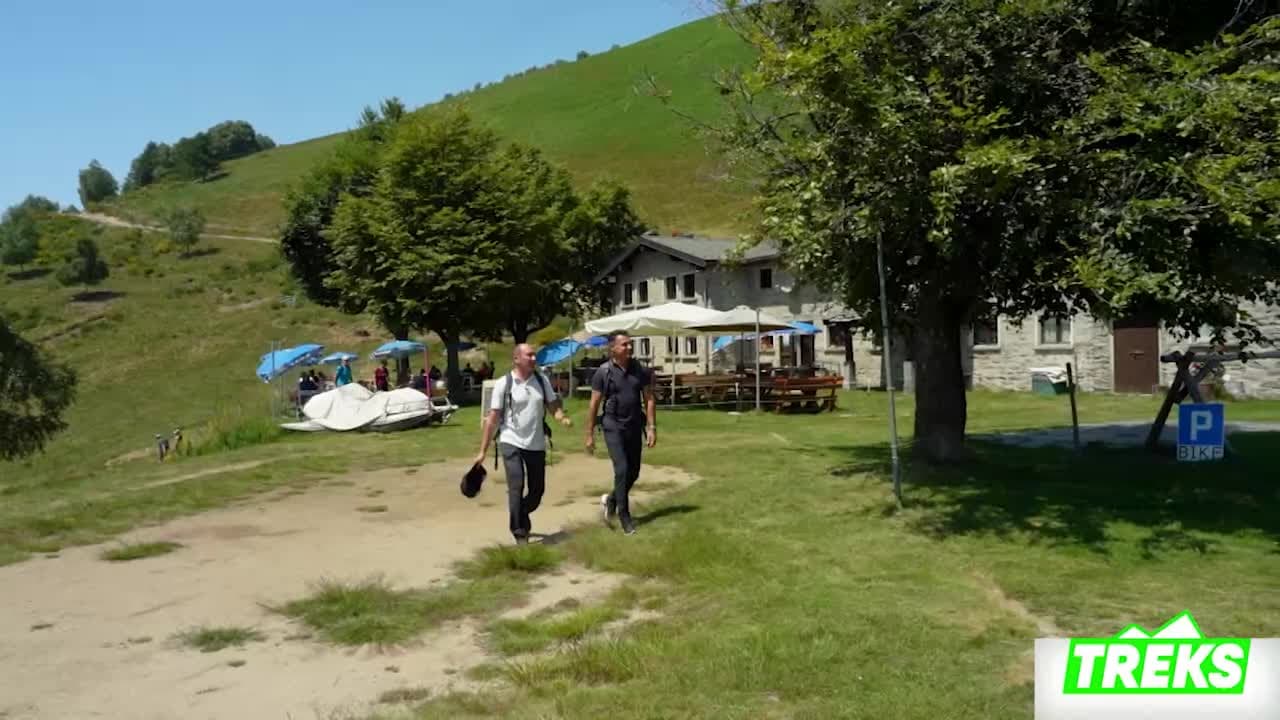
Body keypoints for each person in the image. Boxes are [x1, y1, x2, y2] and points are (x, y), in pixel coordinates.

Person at [474, 343, 572, 545]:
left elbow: (552, 405)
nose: (534, 358)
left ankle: (520, 511)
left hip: (536, 443)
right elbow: (493, 419)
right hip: (511, 441)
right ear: (517, 359)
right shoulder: (504, 383)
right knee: (516, 485)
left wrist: (561, 417)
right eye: (530, 355)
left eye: (534, 355)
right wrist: (482, 450)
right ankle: (520, 532)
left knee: (537, 492)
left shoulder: (541, 380)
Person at [585, 331, 656, 536]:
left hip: (634, 425)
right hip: (612, 425)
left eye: (630, 344)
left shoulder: (639, 370)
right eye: (624, 345)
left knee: (634, 472)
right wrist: (589, 433)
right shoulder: (603, 372)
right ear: (613, 349)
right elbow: (594, 404)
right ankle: (625, 517)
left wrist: (651, 428)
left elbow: (649, 399)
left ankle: (612, 499)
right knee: (622, 469)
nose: (629, 348)